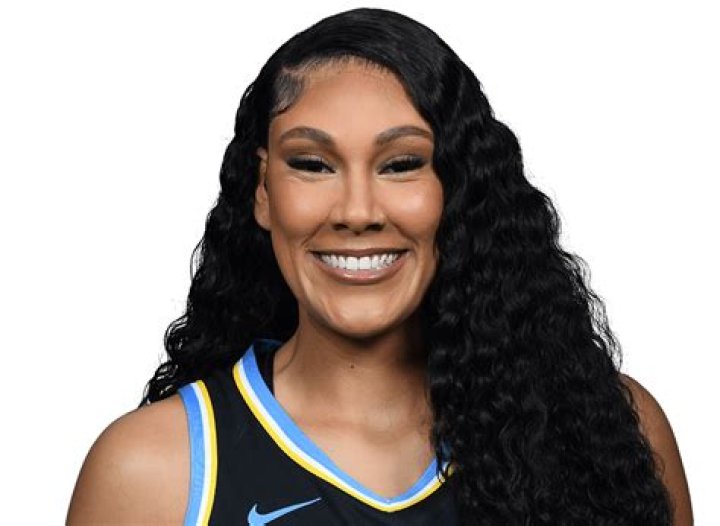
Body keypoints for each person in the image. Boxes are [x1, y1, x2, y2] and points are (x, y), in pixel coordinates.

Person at [66, 7, 692, 525]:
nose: (358, 212)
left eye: (401, 164)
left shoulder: (609, 431)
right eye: (312, 164)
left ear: (457, 188)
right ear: (262, 191)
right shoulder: (154, 472)